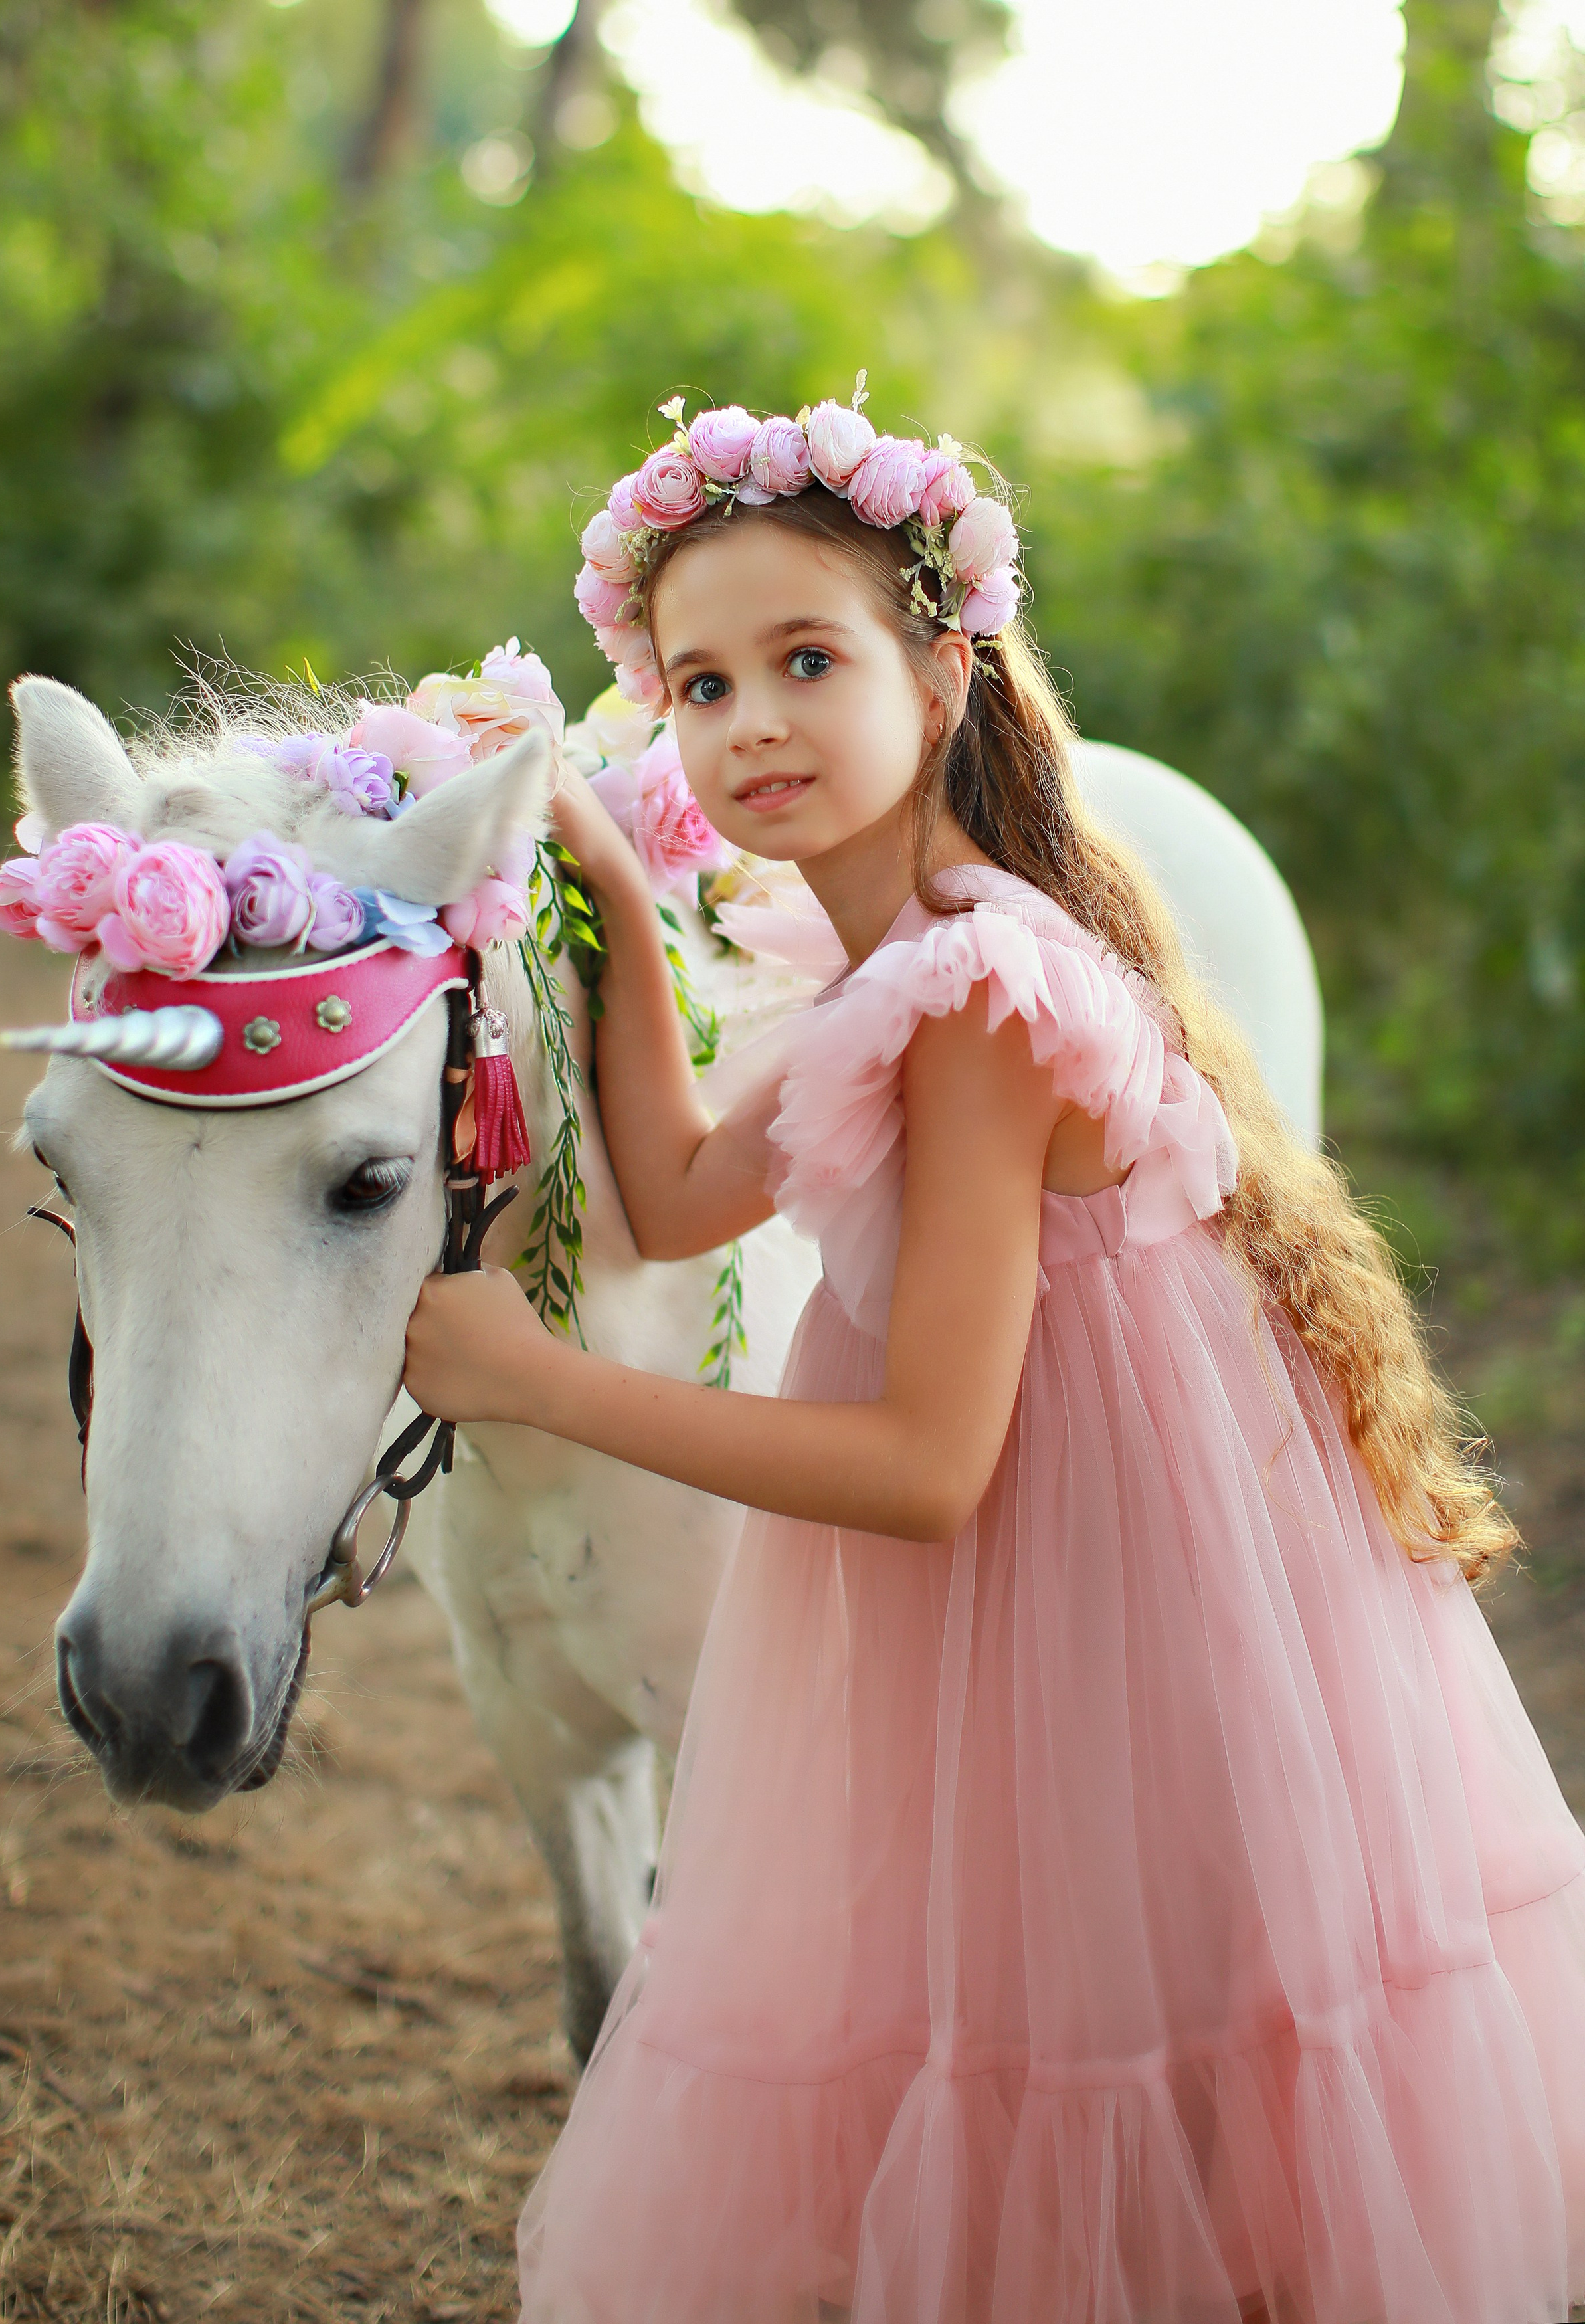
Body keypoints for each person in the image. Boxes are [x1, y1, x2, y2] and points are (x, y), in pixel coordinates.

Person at [402, 390, 1585, 2324]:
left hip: (1110, 1607)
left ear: (942, 674)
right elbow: (690, 1186)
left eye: (808, 658)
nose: (752, 721)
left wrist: (533, 1378)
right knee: (1033, 2038)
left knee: (1138, 2076)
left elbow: (930, 1467)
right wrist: (618, 884)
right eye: (701, 686)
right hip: (1059, 1593)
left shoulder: (973, 999)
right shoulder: (899, 954)